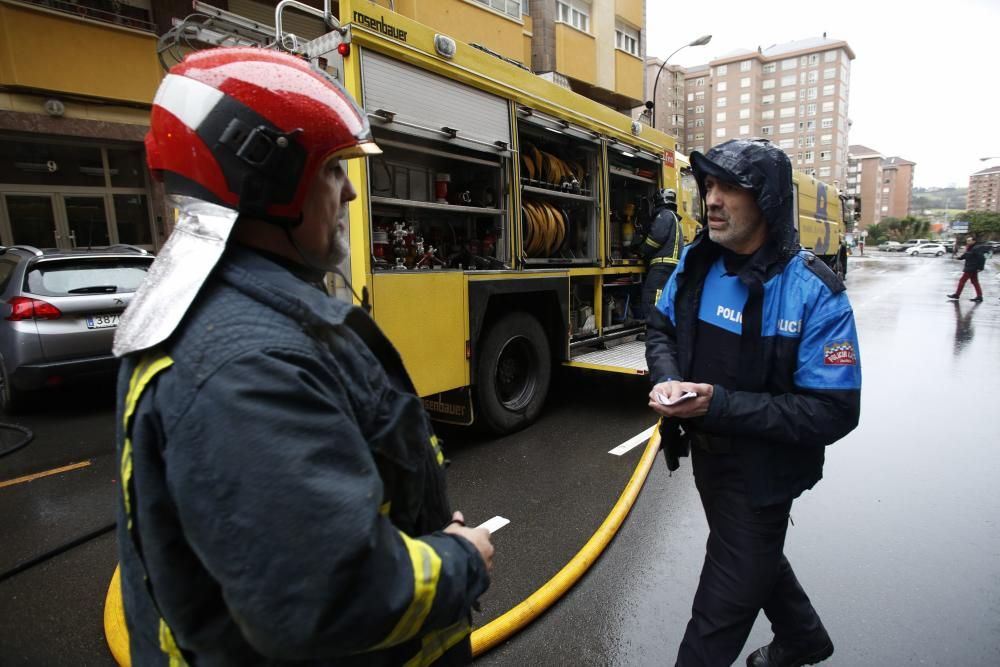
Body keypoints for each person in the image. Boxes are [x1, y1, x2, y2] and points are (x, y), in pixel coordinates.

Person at [112, 47, 493, 666]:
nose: (348, 195)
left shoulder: (230, 317)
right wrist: (461, 560)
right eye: (331, 171)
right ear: (270, 180)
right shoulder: (247, 365)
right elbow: (329, 596)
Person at [645, 139, 861, 667]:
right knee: (751, 558)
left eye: (730, 187)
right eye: (709, 186)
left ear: (765, 199)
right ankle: (805, 640)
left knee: (714, 623)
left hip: (764, 482)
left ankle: (799, 641)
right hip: (708, 461)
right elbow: (660, 330)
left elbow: (834, 411)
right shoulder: (696, 264)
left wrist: (715, 406)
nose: (712, 200)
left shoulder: (815, 293)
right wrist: (671, 380)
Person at [637, 188, 683, 320]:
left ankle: (653, 331)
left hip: (662, 265)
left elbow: (655, 239)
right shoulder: (673, 216)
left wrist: (642, 250)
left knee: (653, 297)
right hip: (669, 265)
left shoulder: (664, 215)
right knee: (663, 298)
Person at [947, 235, 986, 302]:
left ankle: (957, 295)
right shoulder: (970, 248)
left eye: (969, 241)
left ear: (974, 241)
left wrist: (980, 268)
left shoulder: (976, 248)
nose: (967, 242)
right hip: (970, 267)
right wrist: (959, 258)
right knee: (975, 282)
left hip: (971, 267)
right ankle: (979, 296)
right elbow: (966, 255)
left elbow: (982, 258)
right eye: (967, 241)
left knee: (962, 280)